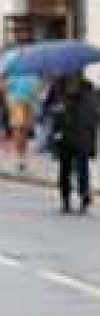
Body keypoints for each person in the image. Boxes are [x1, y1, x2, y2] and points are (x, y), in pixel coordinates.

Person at [46, 73, 98, 213]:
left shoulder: (88, 87)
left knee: (82, 167)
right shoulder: (57, 87)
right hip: (64, 133)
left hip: (82, 133)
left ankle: (84, 195)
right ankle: (66, 198)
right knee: (65, 168)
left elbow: (95, 110)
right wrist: (56, 110)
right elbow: (48, 107)